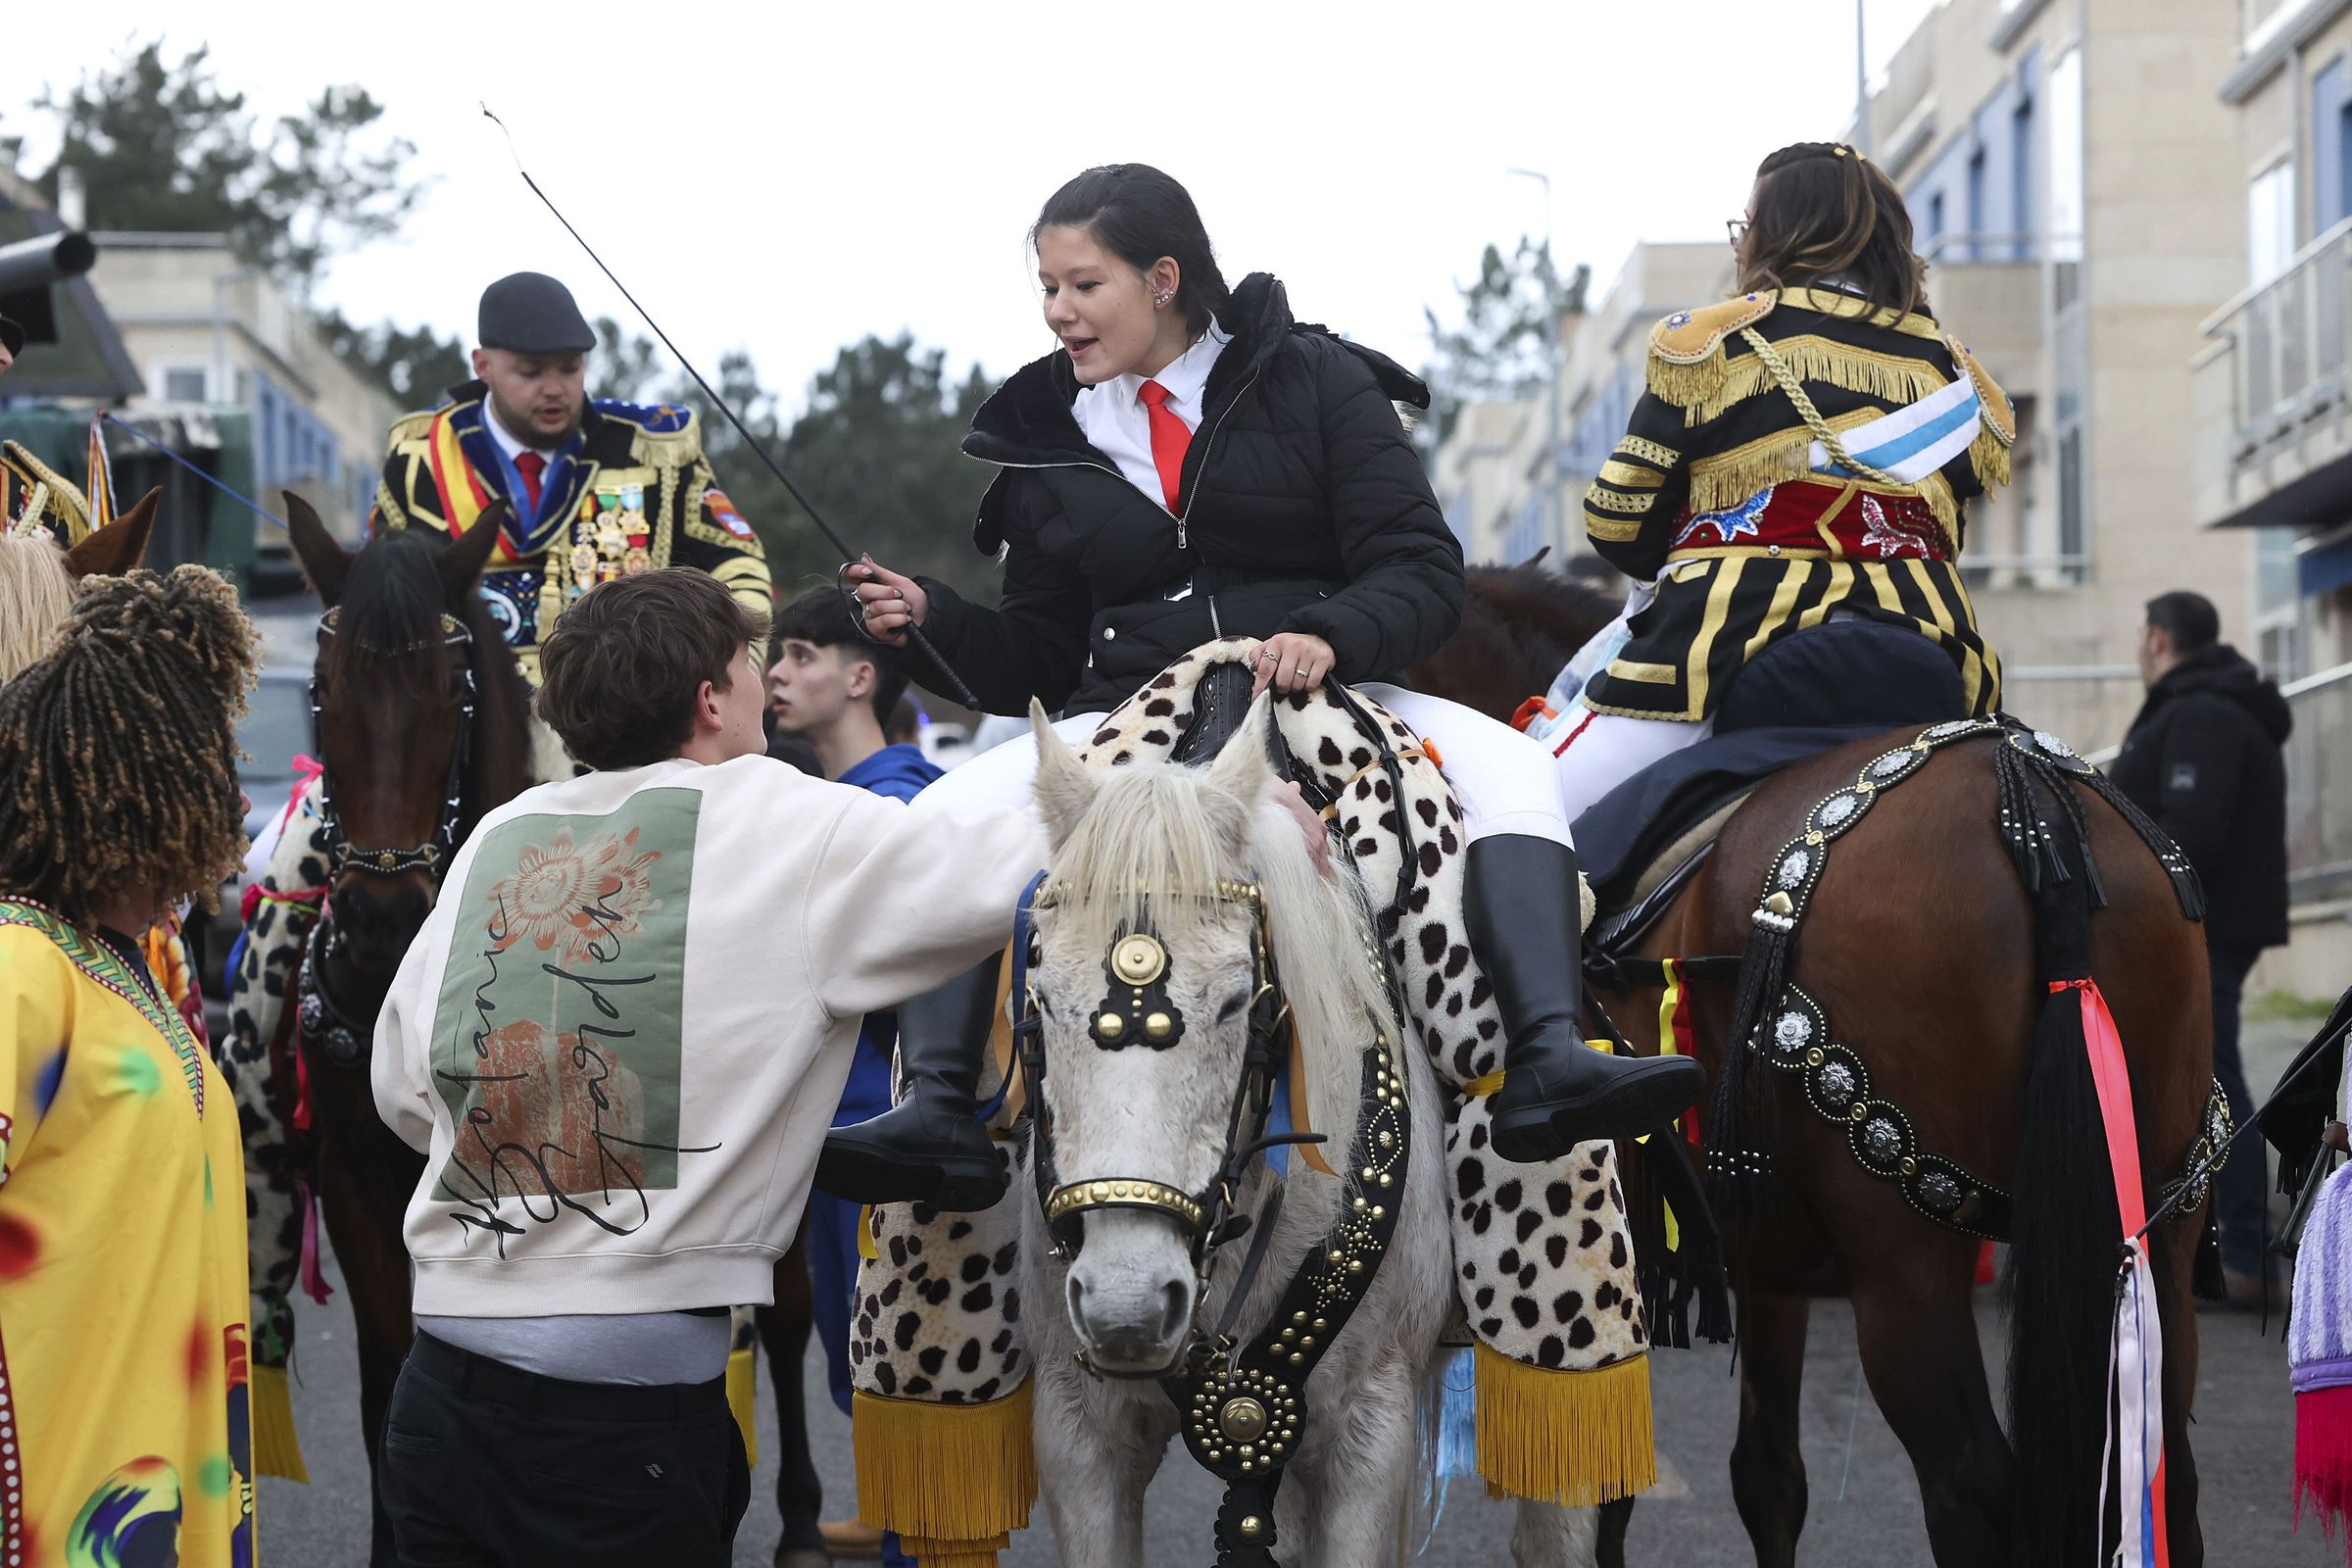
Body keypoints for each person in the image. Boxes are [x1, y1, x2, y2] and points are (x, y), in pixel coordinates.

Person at [823, 163, 1702, 1214]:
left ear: (1162, 277)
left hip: (1328, 695)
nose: (1058, 310)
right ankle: (938, 1112)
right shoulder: (1038, 441)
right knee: (935, 819)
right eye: (1047, 288)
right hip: (1128, 718)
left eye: (1081, 284)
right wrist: (934, 624)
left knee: (1516, 766)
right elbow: (1038, 662)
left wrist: (1327, 632)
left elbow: (1422, 571)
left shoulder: (1319, 379)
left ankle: (1549, 1056)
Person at [1546, 140, 2015, 822]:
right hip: (1928, 646)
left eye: (1747, 226)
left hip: (1721, 645)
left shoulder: (1712, 344)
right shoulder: (1956, 374)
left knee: (1521, 811)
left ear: (1779, 233)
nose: (1740, 246)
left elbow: (1617, 522)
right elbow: (1949, 529)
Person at [0, 566, 261, 1568]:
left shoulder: (130, 971)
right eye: (205, 771)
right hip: (60, 1505)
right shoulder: (23, 964)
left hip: (167, 1491)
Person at [766, 586, 939, 1566]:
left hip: (883, 1113)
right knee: (854, 1347)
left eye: (800, 654)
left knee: (896, 1352)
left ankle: (914, 1533)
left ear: (861, 675)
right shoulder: (840, 799)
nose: (779, 674)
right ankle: (888, 1508)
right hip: (836, 1114)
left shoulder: (900, 802)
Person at [368, 270, 771, 690]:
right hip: (470, 718)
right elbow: (378, 596)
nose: (555, 389)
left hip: (629, 712)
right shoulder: (422, 458)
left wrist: (739, 673)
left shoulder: (650, 450)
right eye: (530, 372)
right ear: (482, 366)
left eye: (570, 368)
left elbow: (735, 562)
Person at [2111, 590, 2292, 1299]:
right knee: (2201, 1082)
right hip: (2199, 923)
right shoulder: (2202, 704)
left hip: (2200, 926)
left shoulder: (2201, 713)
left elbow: (2188, 833)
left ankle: (2243, 1257)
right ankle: (2222, 1256)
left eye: (2141, 634)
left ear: (2158, 638)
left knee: (2212, 1083)